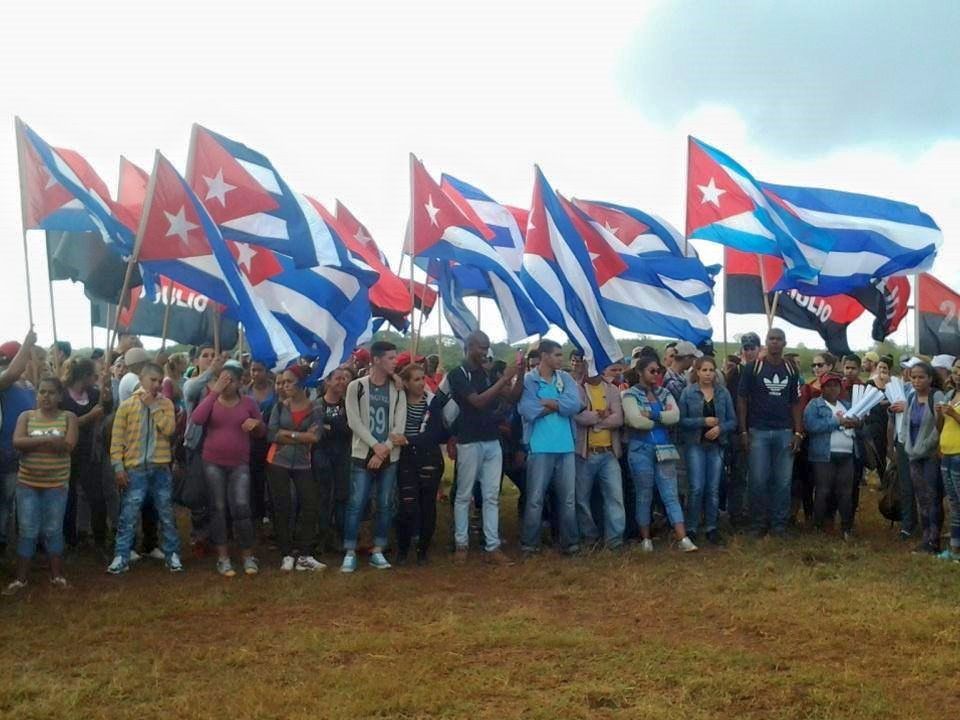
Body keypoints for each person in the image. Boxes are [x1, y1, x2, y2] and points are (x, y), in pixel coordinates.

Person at [447, 331, 519, 566]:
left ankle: (492, 545)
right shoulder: (458, 374)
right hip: (469, 440)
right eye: (481, 347)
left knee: (491, 496)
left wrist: (520, 371)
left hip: (491, 439)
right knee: (464, 494)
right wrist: (502, 380)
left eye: (487, 347)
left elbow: (512, 397)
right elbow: (477, 401)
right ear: (469, 346)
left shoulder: (487, 374)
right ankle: (461, 544)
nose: (485, 352)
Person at [2, 377, 77, 595]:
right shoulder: (26, 416)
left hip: (56, 484)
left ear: (60, 396)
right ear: (37, 395)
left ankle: (57, 576)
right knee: (27, 530)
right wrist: (48, 440)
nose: (46, 396)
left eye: (52, 392)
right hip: (27, 483)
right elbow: (17, 441)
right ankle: (21, 579)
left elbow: (68, 445)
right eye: (42, 392)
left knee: (53, 530)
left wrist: (33, 442)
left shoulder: (68, 417)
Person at [106, 363, 183, 574]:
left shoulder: (166, 405)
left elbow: (168, 430)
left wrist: (153, 407)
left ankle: (172, 554)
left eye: (160, 381)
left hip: (160, 467)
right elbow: (117, 440)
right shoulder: (127, 406)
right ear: (141, 380)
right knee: (128, 514)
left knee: (166, 512)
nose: (157, 385)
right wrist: (118, 467)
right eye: (153, 380)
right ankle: (121, 555)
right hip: (135, 468)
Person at [190, 361, 265, 576]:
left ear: (240, 382)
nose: (226, 384)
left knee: (241, 506)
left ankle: (247, 555)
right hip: (212, 461)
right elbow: (196, 419)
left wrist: (256, 425)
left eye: (230, 380)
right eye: (222, 379)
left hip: (239, 462)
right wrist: (213, 393)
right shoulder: (211, 400)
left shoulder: (249, 403)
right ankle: (223, 557)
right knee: (218, 508)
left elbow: (262, 431)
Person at [341, 341, 407, 572]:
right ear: (376, 360)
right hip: (362, 452)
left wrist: (385, 447)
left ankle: (378, 550)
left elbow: (400, 422)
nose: (394, 361)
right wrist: (374, 446)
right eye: (390, 358)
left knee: (385, 503)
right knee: (357, 502)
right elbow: (354, 420)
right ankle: (349, 550)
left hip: (390, 454)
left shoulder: (397, 389)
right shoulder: (356, 387)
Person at [622, 355, 698, 553]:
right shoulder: (630, 395)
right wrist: (661, 419)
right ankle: (646, 539)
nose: (656, 375)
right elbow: (636, 421)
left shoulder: (663, 392)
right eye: (652, 371)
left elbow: (675, 416)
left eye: (658, 371)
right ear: (640, 372)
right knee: (644, 494)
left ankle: (682, 538)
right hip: (641, 449)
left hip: (662, 449)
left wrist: (652, 416)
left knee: (670, 494)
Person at [737, 328, 803, 537]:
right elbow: (742, 400)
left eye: (778, 339)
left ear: (784, 343)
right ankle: (757, 524)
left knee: (783, 481)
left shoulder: (791, 369)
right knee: (758, 479)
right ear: (766, 342)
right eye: (771, 339)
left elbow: (795, 403)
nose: (775, 342)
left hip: (784, 431)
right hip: (758, 431)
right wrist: (744, 431)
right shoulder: (752, 368)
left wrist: (798, 432)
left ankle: (779, 525)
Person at [517, 340, 580, 556]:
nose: (561, 359)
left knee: (568, 499)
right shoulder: (529, 380)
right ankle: (529, 544)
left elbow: (576, 404)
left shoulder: (566, 378)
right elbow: (527, 410)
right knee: (535, 498)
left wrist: (549, 403)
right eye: (557, 355)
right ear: (544, 356)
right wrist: (560, 405)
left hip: (566, 446)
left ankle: (570, 543)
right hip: (540, 446)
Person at [266, 366, 326, 572]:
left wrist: (289, 434)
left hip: (303, 462)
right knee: (282, 507)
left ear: (301, 383)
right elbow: (271, 434)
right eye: (282, 382)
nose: (284, 386)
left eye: (288, 382)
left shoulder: (315, 408)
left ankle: (305, 554)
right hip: (277, 462)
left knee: (309, 505)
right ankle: (286, 553)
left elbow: (315, 437)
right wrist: (301, 436)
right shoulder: (280, 407)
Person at [679, 356, 736, 545]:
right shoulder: (688, 393)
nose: (708, 374)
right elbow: (681, 421)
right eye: (704, 370)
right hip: (695, 444)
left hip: (716, 445)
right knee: (696, 487)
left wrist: (720, 428)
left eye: (711, 370)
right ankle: (692, 527)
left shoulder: (723, 393)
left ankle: (712, 527)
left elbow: (732, 420)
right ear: (697, 372)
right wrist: (702, 421)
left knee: (712, 488)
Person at [395, 363, 448, 565]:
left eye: (422, 378)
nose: (421, 382)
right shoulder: (397, 400)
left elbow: (434, 433)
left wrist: (409, 440)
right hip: (406, 458)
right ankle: (402, 549)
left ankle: (423, 551)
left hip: (428, 457)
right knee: (407, 505)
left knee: (427, 506)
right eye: (415, 379)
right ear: (405, 383)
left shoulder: (433, 402)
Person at [60, 357, 112, 554]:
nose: (96, 378)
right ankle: (70, 539)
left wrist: (106, 397)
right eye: (94, 375)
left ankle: (100, 539)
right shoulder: (62, 397)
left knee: (97, 497)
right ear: (85, 376)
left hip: (90, 453)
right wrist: (89, 417)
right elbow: (63, 424)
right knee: (69, 496)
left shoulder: (93, 393)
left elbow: (105, 411)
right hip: (68, 452)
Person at [802, 372, 862, 539]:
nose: (833, 388)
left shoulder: (847, 405)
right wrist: (837, 422)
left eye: (836, 385)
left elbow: (860, 423)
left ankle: (846, 527)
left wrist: (856, 422)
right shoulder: (815, 405)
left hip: (847, 453)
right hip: (824, 454)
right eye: (828, 385)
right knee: (823, 491)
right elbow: (811, 425)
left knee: (845, 492)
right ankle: (818, 527)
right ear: (822, 388)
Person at [573, 367, 626, 550]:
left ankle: (615, 541)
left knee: (615, 497)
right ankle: (590, 536)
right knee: (581, 498)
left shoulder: (611, 389)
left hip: (608, 452)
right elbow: (579, 417)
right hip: (585, 453)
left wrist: (594, 422)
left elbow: (618, 419)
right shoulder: (576, 389)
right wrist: (601, 415)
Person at [894, 362, 945, 555]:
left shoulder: (936, 396)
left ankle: (934, 540)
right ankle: (925, 537)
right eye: (913, 377)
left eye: (921, 377)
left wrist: (923, 447)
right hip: (913, 455)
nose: (916, 381)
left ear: (930, 378)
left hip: (931, 455)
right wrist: (907, 446)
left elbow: (937, 428)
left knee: (933, 497)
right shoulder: (911, 396)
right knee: (921, 497)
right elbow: (906, 424)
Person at [0, 329, 38, 554]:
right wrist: (27, 343)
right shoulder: (4, 380)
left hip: (22, 454)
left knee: (14, 504)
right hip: (4, 453)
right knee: (4, 503)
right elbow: (13, 372)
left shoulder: (29, 387)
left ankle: (11, 547)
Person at [316, 366, 352, 551]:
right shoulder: (316, 404)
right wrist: (337, 426)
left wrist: (331, 426)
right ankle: (322, 537)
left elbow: (350, 429)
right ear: (327, 381)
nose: (342, 381)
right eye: (337, 378)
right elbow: (317, 431)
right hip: (321, 456)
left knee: (342, 497)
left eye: (344, 378)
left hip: (343, 456)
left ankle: (341, 537)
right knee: (323, 498)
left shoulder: (349, 404)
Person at [245, 360, 276, 526]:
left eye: (259, 370)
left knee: (270, 477)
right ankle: (257, 511)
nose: (255, 373)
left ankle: (270, 511)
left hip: (272, 440)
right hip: (249, 441)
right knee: (253, 476)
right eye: (253, 370)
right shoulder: (245, 391)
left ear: (267, 371)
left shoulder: (276, 390)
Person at [936, 358, 960, 562]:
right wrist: (940, 415)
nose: (958, 372)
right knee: (953, 503)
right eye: (956, 369)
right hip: (947, 453)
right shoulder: (950, 395)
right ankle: (954, 548)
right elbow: (941, 426)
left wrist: (954, 413)